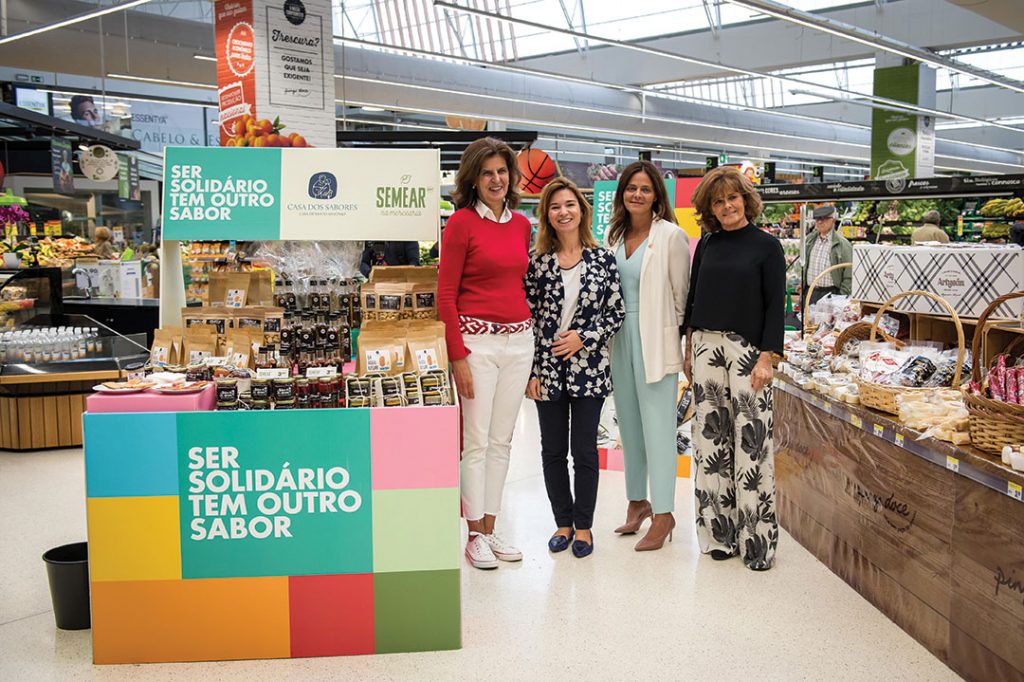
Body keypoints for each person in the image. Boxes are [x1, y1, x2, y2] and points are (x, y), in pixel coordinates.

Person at [438, 137, 534, 570]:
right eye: (487, 173)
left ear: (511, 177)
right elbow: (446, 295)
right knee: (474, 443)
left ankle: (491, 529)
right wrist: (457, 354)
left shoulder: (522, 226)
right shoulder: (460, 224)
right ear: (473, 179)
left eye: (502, 172)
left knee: (502, 441)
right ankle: (473, 533)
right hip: (477, 345)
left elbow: (521, 284)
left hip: (520, 343)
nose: (496, 180)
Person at [684, 166, 786, 571]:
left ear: (746, 200)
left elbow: (776, 306)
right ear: (710, 208)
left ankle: (758, 543)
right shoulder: (707, 245)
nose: (727, 206)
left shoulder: (767, 246)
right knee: (710, 444)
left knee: (751, 444)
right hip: (706, 346)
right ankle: (719, 535)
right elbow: (694, 299)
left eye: (733, 197)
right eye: (718, 200)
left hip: (747, 353)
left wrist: (767, 356)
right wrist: (689, 346)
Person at [525, 178, 624, 559]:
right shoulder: (537, 264)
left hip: (590, 370)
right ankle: (561, 523)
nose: (563, 211)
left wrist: (584, 336)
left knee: (583, 452)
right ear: (546, 215)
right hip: (547, 371)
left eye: (569, 204)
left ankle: (584, 526)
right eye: (554, 206)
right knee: (552, 452)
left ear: (581, 210)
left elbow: (616, 312)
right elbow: (528, 319)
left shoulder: (602, 260)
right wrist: (531, 372)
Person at [606, 160, 690, 552]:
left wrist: (680, 347)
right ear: (622, 193)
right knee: (630, 426)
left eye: (645, 188)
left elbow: (681, 298)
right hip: (619, 338)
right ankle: (637, 500)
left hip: (655, 339)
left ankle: (665, 513)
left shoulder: (671, 236)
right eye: (631, 188)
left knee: (658, 429)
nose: (637, 194)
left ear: (657, 194)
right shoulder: (612, 235)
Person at [803, 205, 852, 304]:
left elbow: (849, 274)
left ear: (833, 220)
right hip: (810, 293)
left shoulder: (843, 244)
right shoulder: (809, 240)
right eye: (817, 219)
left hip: (831, 295)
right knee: (808, 319)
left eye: (824, 219)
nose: (820, 222)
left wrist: (840, 298)